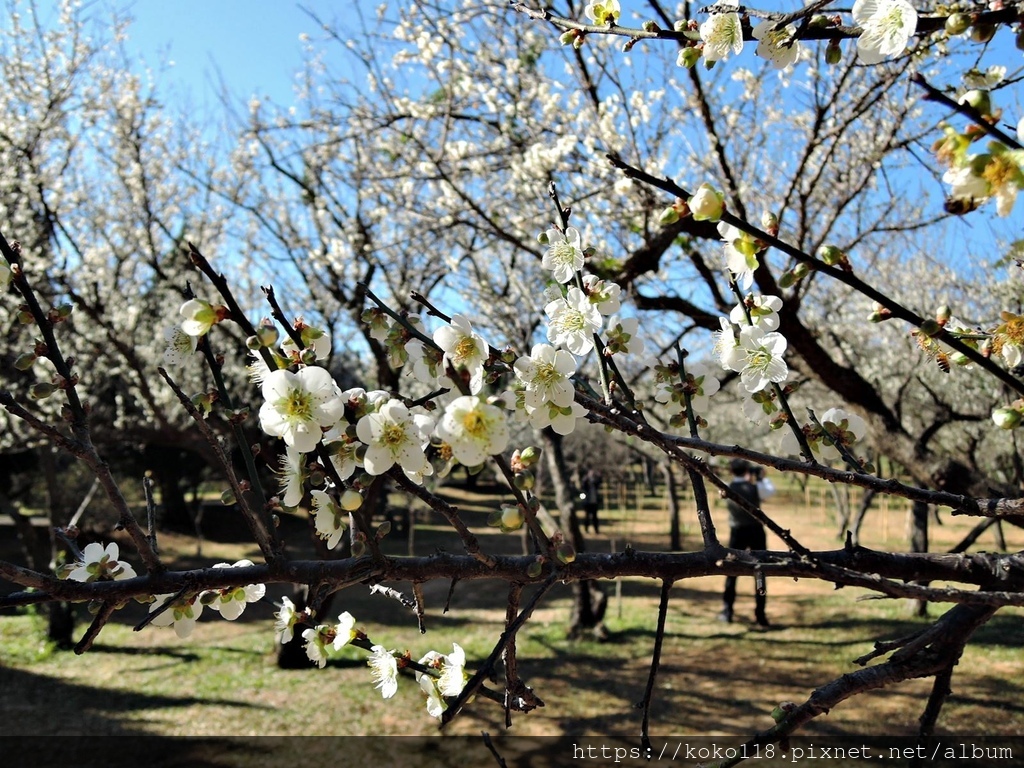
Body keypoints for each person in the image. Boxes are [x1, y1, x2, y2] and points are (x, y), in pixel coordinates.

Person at [718, 459, 769, 627]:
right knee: (760, 570)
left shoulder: (727, 487)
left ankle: (727, 611)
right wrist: (760, 478)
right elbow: (769, 492)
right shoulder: (756, 487)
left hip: (737, 531)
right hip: (756, 530)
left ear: (731, 471)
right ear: (747, 469)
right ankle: (760, 615)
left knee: (731, 570)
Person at [579, 468, 603, 534]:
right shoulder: (586, 482)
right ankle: (586, 530)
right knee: (587, 517)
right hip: (587, 502)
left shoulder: (595, 483)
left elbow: (599, 482)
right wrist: (587, 477)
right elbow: (582, 486)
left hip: (594, 503)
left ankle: (596, 530)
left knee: (595, 518)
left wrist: (599, 475)